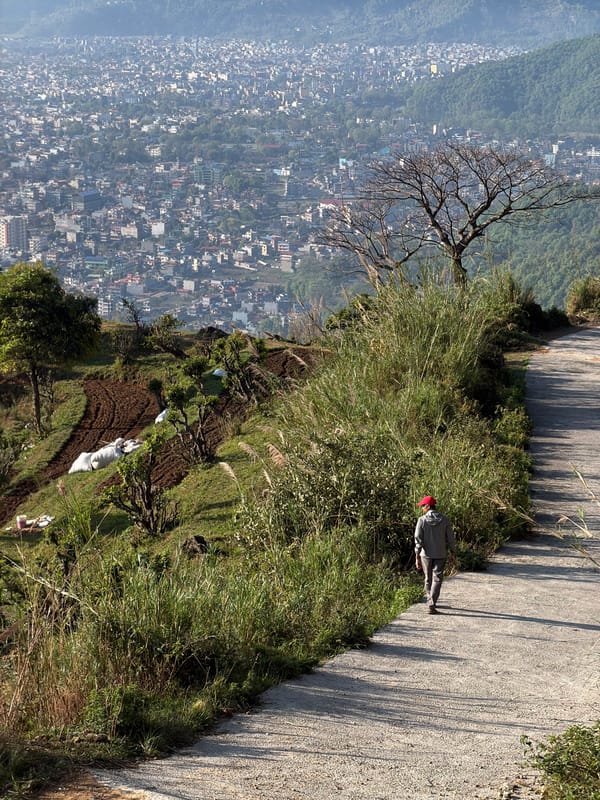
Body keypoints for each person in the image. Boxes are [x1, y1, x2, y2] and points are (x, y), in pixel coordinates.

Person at [414, 495, 455, 614]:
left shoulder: (421, 520)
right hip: (440, 554)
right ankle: (432, 603)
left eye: (422, 506)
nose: (422, 508)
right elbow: (450, 538)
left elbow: (418, 539)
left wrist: (417, 555)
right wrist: (453, 552)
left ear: (427, 506)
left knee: (428, 578)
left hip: (425, 554)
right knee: (437, 579)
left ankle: (430, 601)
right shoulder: (445, 519)